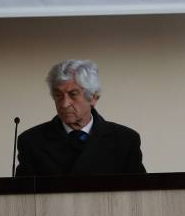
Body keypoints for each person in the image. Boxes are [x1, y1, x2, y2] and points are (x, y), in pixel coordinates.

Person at [16, 60, 146, 176]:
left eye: (73, 94)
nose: (64, 104)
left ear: (93, 98)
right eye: (58, 95)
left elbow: (139, 196)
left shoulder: (125, 141)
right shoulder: (31, 142)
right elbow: (22, 199)